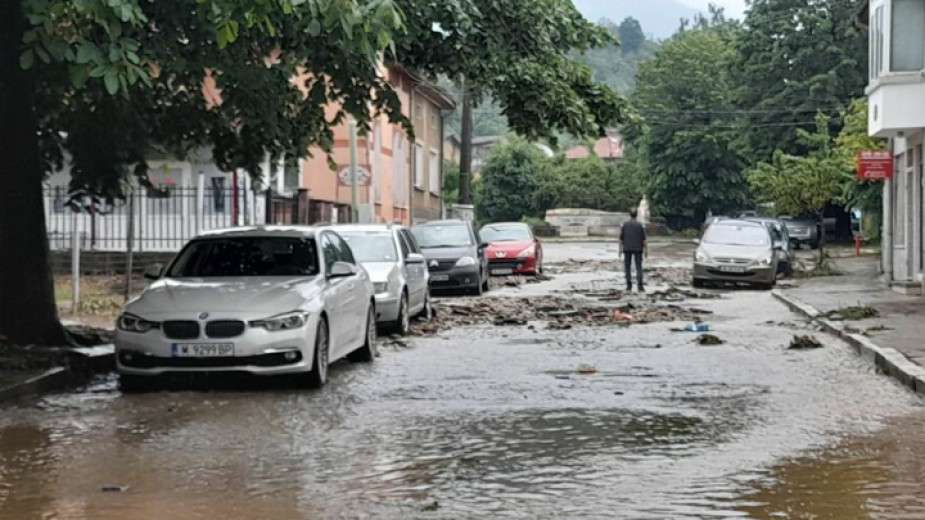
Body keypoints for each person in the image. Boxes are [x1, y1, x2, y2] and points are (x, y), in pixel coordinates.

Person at [620, 209, 647, 292]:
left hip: (627, 248)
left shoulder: (625, 225)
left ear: (630, 214)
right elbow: (644, 239)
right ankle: (640, 286)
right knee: (639, 267)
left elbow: (621, 238)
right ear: (637, 215)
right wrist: (646, 250)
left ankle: (629, 285)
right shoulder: (640, 225)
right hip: (638, 248)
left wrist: (620, 250)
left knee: (627, 267)